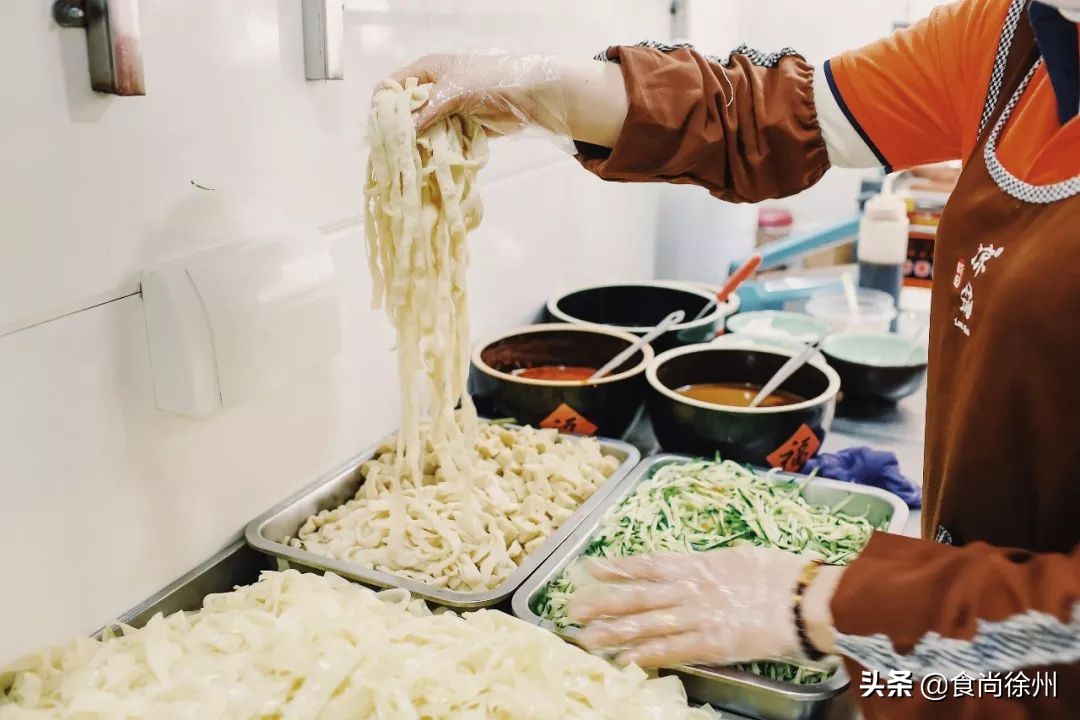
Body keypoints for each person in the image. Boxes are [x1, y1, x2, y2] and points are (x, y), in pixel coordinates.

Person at [388, 0, 1080, 716]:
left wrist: (818, 601)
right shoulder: (1019, 32)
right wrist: (535, 90)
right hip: (957, 641)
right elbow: (770, 116)